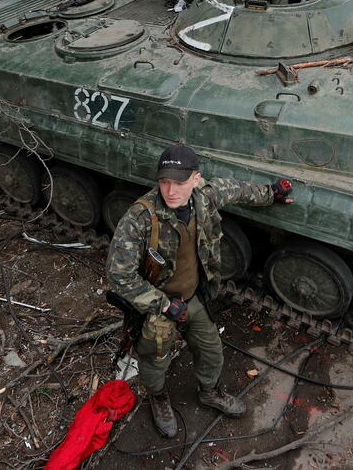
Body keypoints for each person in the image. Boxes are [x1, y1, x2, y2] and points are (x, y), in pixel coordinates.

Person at [106, 144, 293, 438]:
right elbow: (119, 274)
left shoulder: (204, 197)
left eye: (179, 182)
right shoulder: (140, 218)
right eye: (164, 181)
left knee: (211, 351)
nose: (170, 190)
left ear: (196, 179)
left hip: (193, 296)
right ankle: (158, 398)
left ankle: (209, 392)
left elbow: (237, 190)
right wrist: (164, 305)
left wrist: (272, 193)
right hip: (160, 306)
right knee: (155, 361)